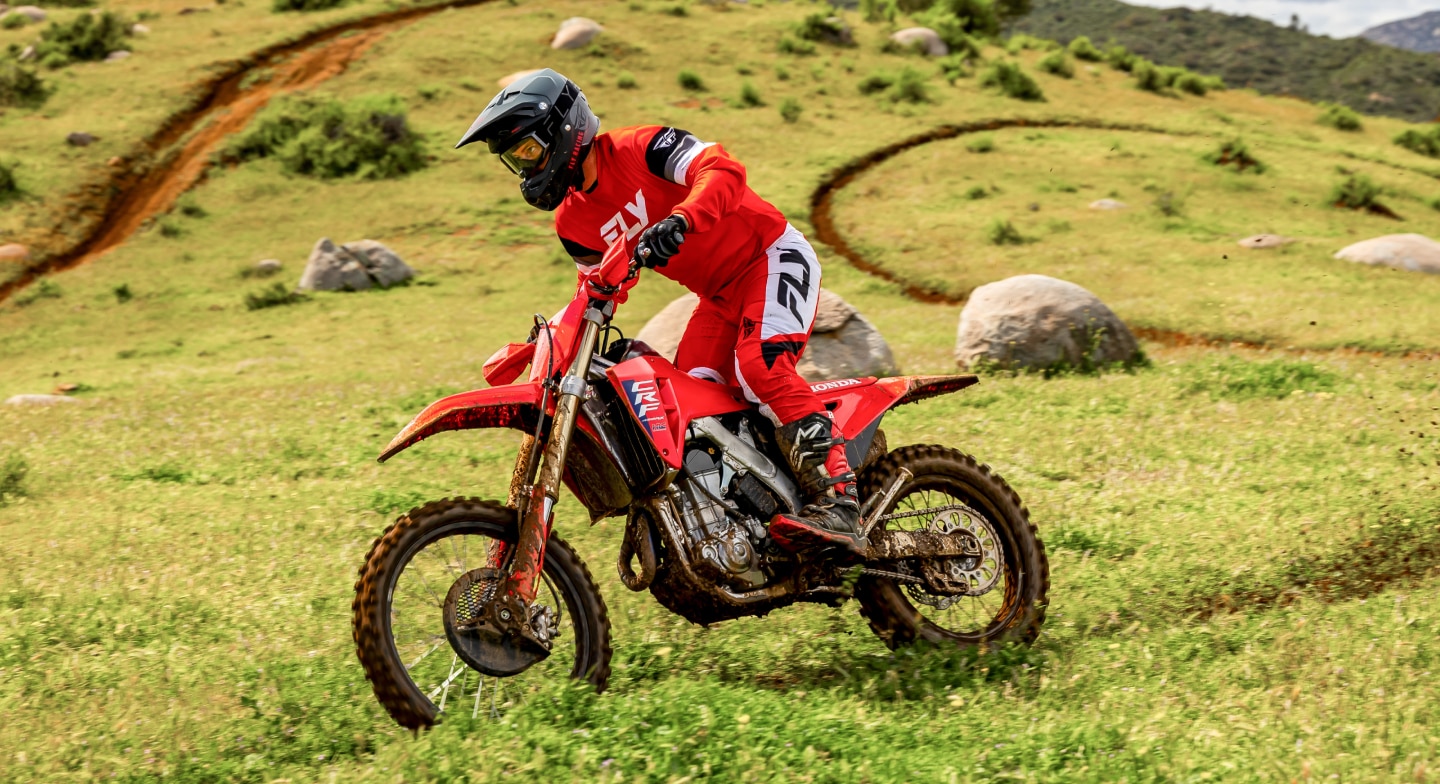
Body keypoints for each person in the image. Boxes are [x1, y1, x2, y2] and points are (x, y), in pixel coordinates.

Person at [456, 68, 864, 559]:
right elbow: (597, 290)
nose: (525, 169)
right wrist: (541, 346)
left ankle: (841, 503)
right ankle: (763, 514)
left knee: (761, 365)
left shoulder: (642, 146)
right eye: (513, 160)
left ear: (563, 131)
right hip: (717, 296)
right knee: (694, 403)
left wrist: (682, 217)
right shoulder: (573, 224)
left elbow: (723, 170)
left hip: (771, 255)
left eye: (527, 151)